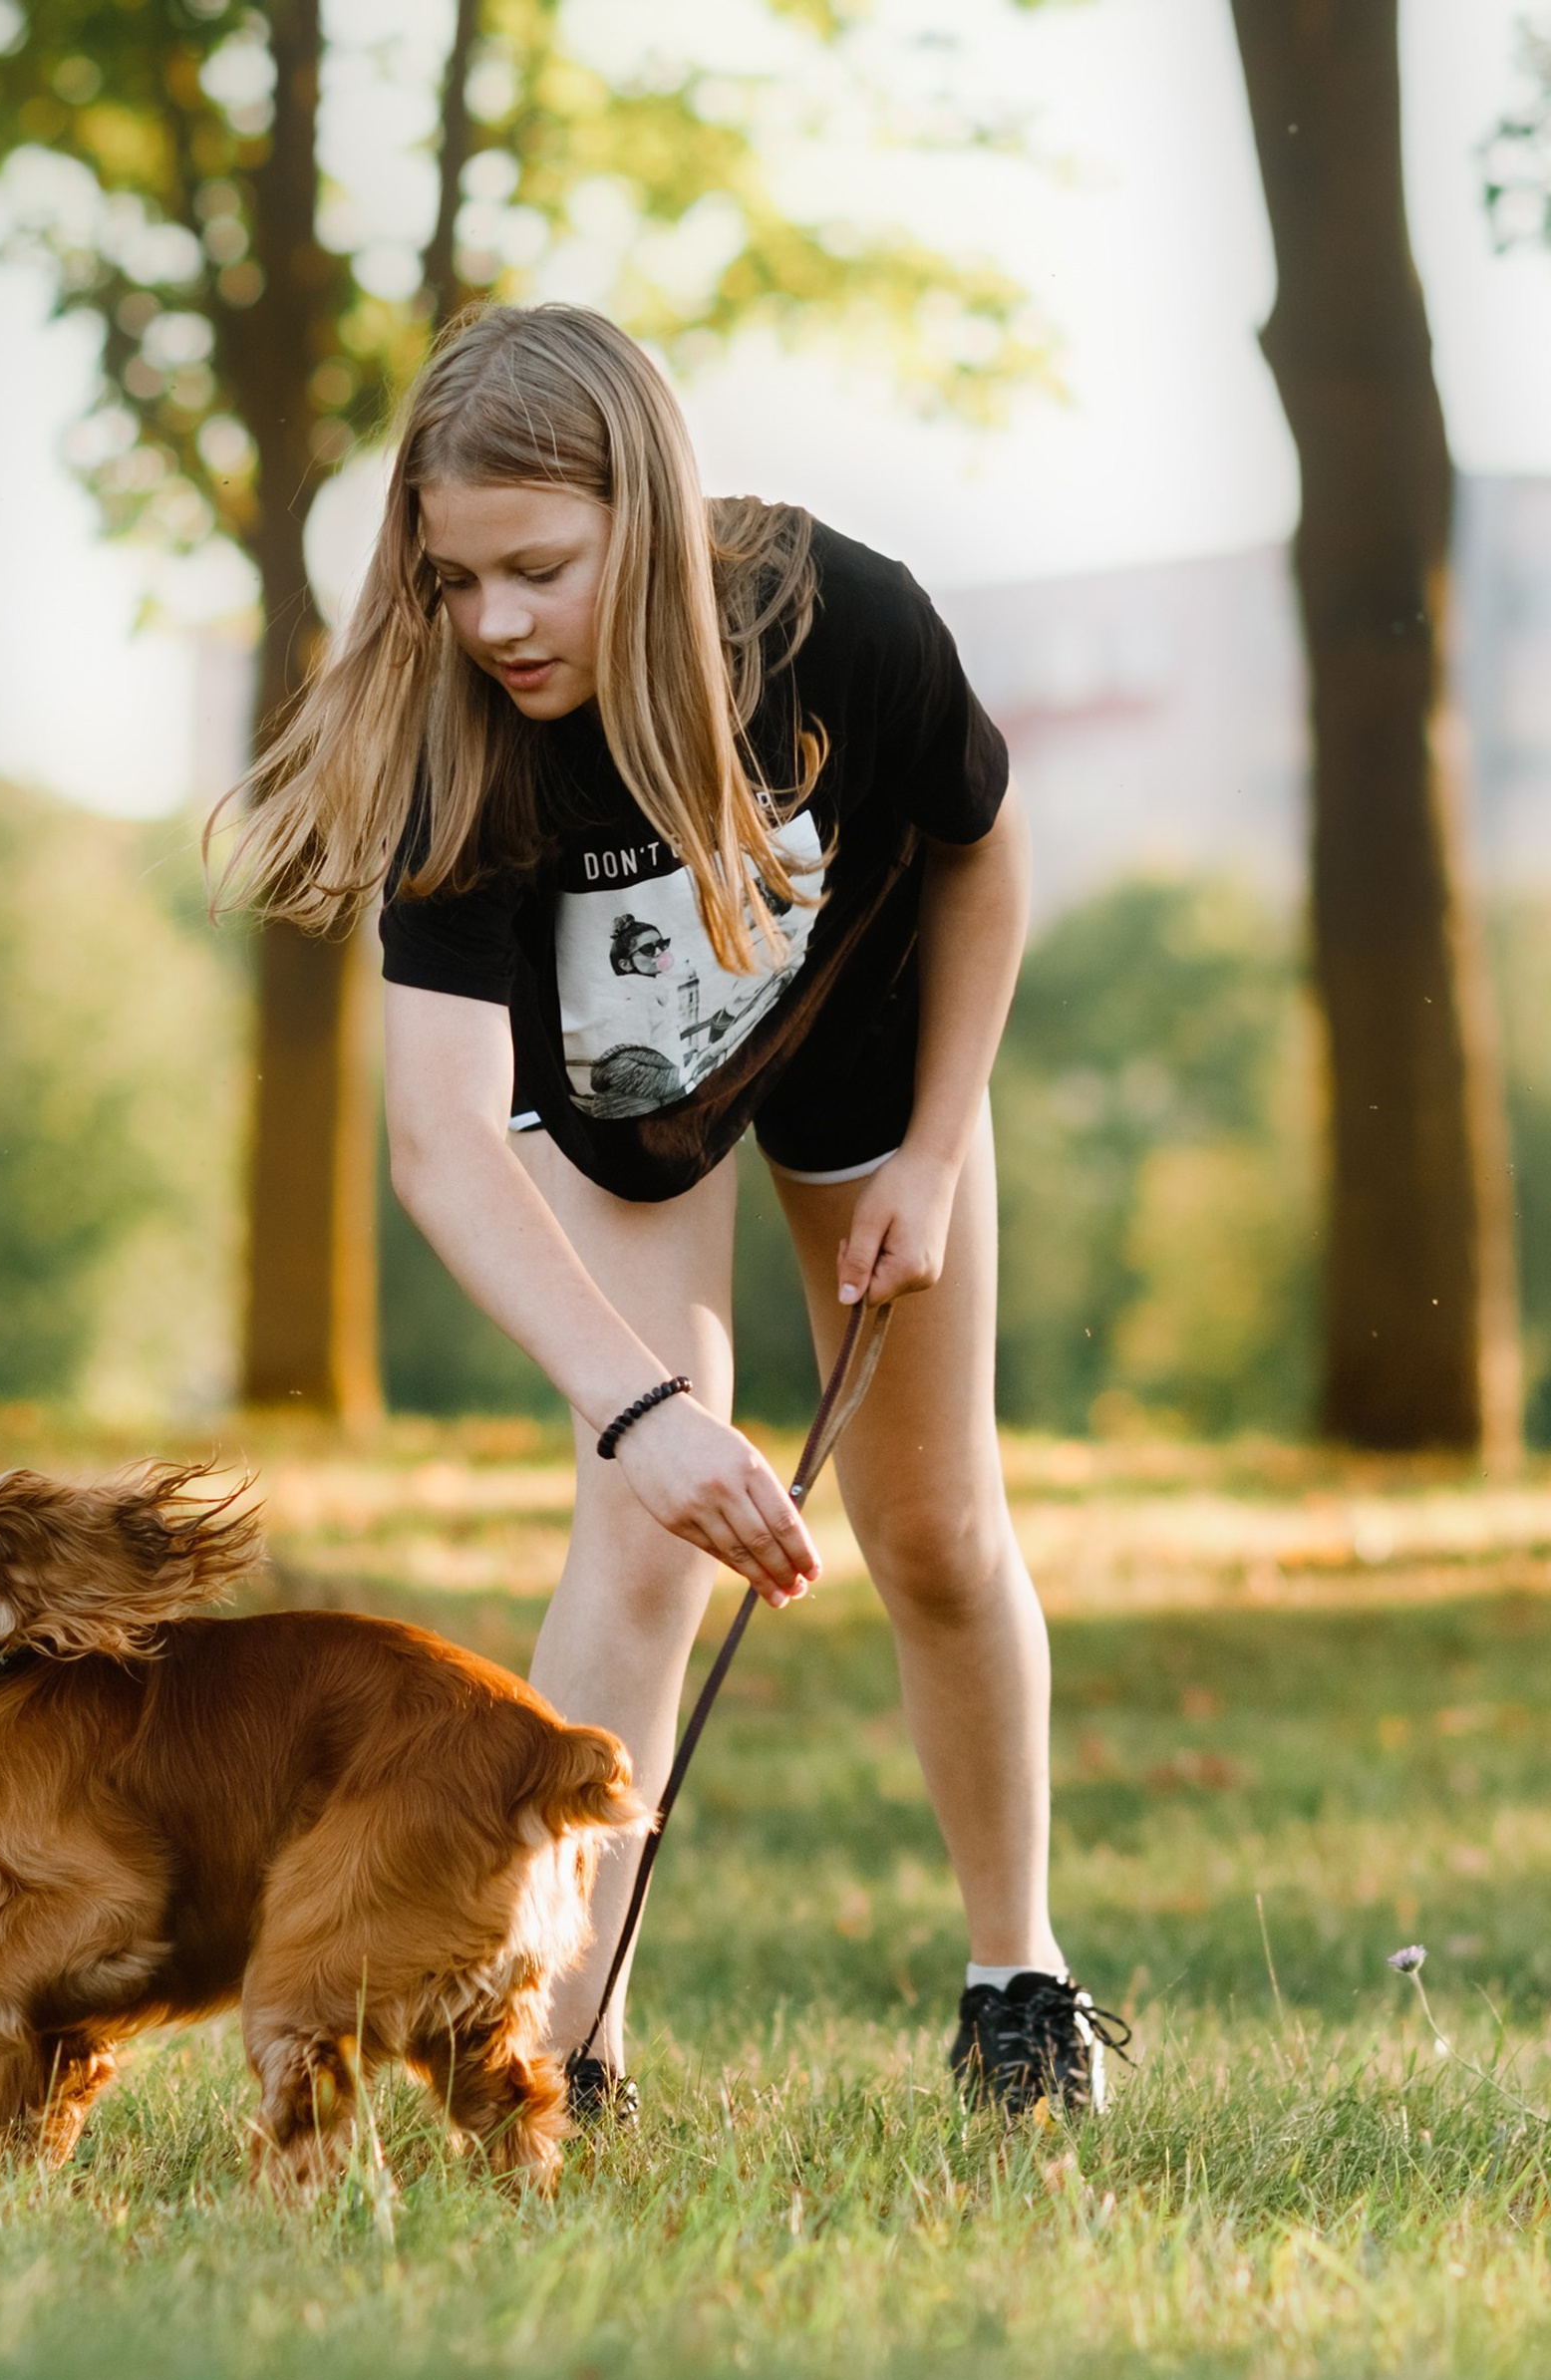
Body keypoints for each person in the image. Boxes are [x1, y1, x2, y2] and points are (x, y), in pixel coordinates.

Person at [217, 302, 1124, 2121]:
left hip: (872, 1057)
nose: (497, 625)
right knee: (641, 1538)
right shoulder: (463, 751)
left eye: (537, 571)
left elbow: (982, 845)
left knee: (938, 1532)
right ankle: (564, 2037)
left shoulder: (837, 618)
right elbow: (444, 1144)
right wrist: (644, 1415)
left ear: (647, 507)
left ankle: (1020, 1980)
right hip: (635, 1117)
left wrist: (936, 1154)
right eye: (456, 583)